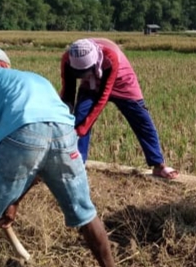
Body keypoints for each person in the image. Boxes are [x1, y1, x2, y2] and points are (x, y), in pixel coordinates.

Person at [0, 44, 141, 267]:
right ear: (5, 65)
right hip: (64, 132)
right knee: (84, 212)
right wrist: (13, 200)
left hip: (22, 134)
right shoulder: (32, 79)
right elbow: (41, 152)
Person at [59, 38, 178, 179]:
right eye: (80, 74)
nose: (82, 75)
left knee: (141, 119)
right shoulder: (68, 59)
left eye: (85, 72)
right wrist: (65, 121)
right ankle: (77, 165)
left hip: (122, 81)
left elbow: (103, 97)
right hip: (90, 84)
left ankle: (158, 164)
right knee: (80, 117)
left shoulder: (110, 57)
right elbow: (68, 92)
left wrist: (82, 129)